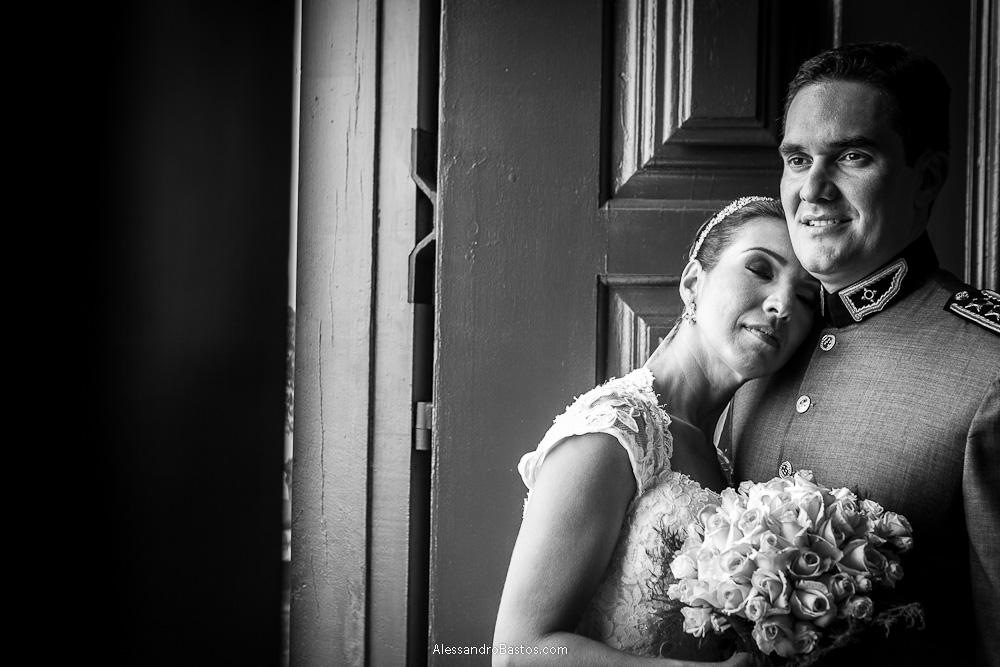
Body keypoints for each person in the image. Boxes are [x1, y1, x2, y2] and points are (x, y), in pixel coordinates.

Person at [725, 42, 999, 667]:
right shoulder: (749, 340)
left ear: (925, 177)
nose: (813, 190)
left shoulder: (989, 367)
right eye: (797, 160)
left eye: (853, 156)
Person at [492, 197, 821, 666]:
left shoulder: (724, 458)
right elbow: (516, 653)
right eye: (760, 269)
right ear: (692, 283)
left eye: (806, 297)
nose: (782, 304)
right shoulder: (614, 431)